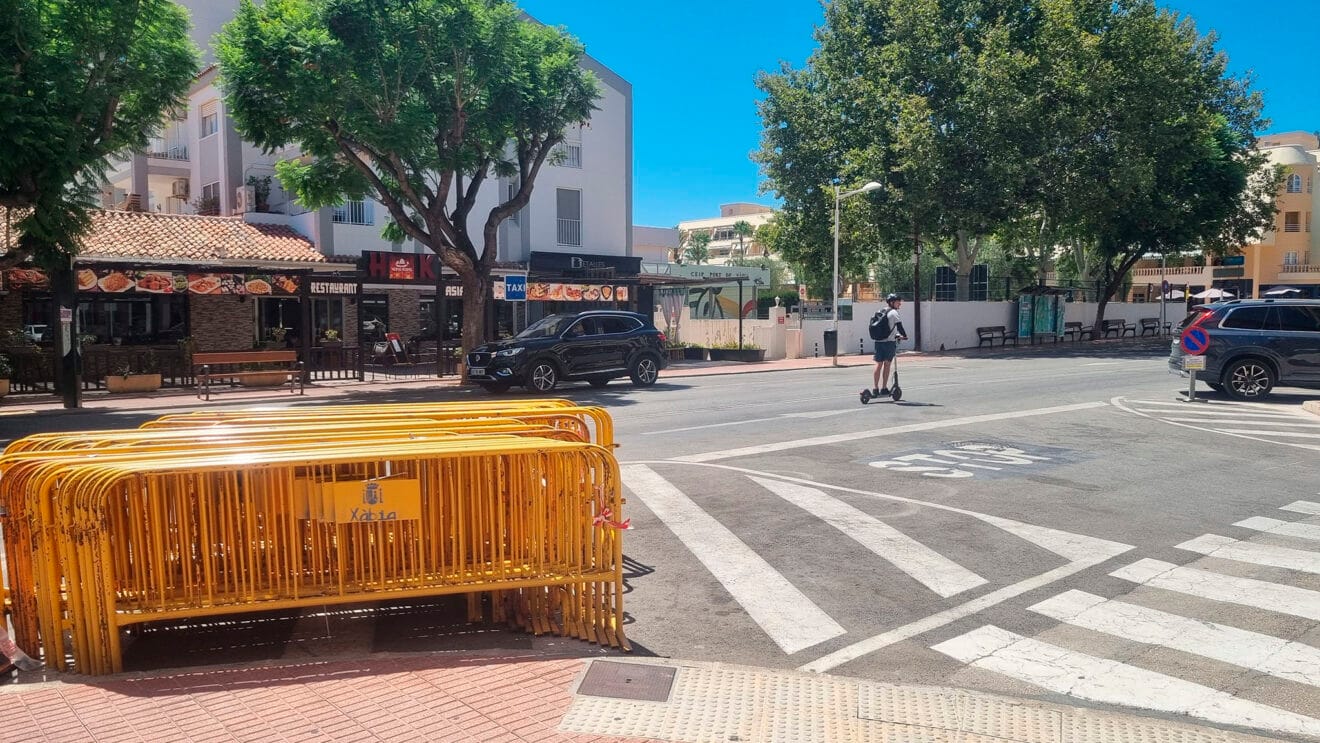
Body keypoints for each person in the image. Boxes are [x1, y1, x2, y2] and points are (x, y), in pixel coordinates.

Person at [869, 293, 908, 397]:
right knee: (887, 364)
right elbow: (899, 327)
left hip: (878, 342)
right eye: (898, 301)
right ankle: (884, 388)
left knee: (878, 364)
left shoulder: (880, 311)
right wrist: (904, 336)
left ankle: (875, 389)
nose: (900, 303)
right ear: (892, 302)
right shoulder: (894, 313)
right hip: (889, 343)